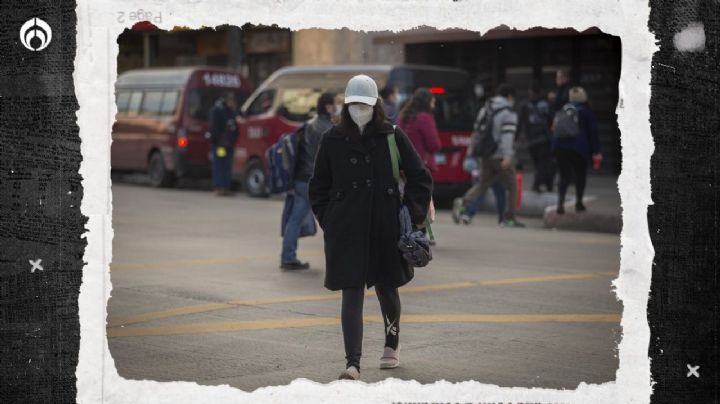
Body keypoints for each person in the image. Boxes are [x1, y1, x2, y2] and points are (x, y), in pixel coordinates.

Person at [309, 75, 433, 380]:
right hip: (347, 228)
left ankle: (392, 343)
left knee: (387, 287)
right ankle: (352, 363)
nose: (359, 110)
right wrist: (331, 221)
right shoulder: (333, 139)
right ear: (346, 105)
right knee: (351, 292)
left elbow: (420, 177)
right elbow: (318, 187)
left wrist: (412, 215)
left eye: (365, 105)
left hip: (385, 225)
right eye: (354, 105)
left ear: (375, 105)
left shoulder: (391, 135)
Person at [280, 92, 341, 270]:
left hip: (301, 179)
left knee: (295, 220)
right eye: (337, 103)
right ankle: (337, 261)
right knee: (333, 222)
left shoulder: (309, 124)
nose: (340, 107)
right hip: (314, 181)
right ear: (329, 107)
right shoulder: (328, 128)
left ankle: (287, 257)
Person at [451, 84, 525, 227]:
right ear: (509, 97)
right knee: (512, 186)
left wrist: (471, 151)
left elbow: (476, 131)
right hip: (499, 156)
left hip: (484, 154)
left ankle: (463, 202)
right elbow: (507, 136)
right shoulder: (508, 112)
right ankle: (509, 218)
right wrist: (507, 156)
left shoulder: (486, 108)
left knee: (483, 184)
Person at [397, 88, 441, 244]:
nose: (434, 103)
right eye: (433, 100)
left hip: (402, 165)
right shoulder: (425, 118)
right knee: (424, 200)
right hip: (422, 164)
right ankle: (420, 233)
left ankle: (406, 229)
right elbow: (434, 144)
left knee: (406, 198)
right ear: (427, 102)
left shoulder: (403, 116)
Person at [551, 86, 602, 214]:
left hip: (559, 147)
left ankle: (560, 204)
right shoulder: (586, 111)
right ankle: (579, 203)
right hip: (578, 148)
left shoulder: (564, 109)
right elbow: (593, 133)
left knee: (563, 176)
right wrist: (596, 150)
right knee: (580, 175)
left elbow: (554, 128)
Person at [518, 82, 556, 192]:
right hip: (544, 138)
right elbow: (552, 119)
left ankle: (541, 183)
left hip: (531, 139)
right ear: (540, 91)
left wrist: (516, 136)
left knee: (538, 163)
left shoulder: (524, 104)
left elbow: (520, 122)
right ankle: (540, 184)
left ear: (530, 91)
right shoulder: (546, 104)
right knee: (544, 162)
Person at [208, 92, 238, 196]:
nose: (233, 103)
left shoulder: (231, 112)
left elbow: (235, 128)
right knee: (220, 164)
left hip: (229, 144)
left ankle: (226, 187)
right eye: (231, 100)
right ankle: (219, 187)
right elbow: (214, 127)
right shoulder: (218, 111)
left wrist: (233, 139)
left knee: (227, 165)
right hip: (220, 145)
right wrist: (219, 140)